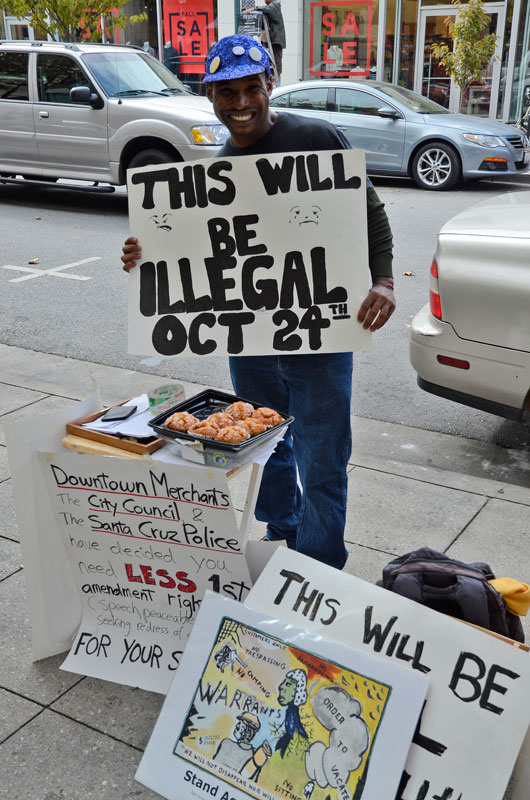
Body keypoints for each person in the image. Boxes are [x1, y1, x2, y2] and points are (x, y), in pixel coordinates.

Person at [121, 35, 395, 571]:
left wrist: (383, 281)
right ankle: (281, 530)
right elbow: (193, 252)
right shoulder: (217, 170)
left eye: (252, 88)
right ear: (210, 95)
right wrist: (144, 254)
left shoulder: (315, 137)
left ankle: (317, 566)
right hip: (251, 340)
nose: (241, 103)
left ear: (270, 84)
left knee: (322, 454)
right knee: (263, 442)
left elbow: (371, 213)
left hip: (319, 333)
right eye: (228, 92)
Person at [245, 0, 286, 84]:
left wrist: (253, 9)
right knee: (269, 67)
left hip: (275, 42)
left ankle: (277, 87)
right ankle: (272, 83)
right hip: (270, 42)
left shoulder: (275, 6)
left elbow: (268, 9)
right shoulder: (271, 8)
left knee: (276, 67)